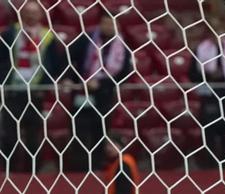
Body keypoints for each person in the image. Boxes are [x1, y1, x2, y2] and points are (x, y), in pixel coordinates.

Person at [0, 1, 63, 172]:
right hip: (13, 91)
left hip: (36, 92)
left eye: (35, 12)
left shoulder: (47, 36)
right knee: (9, 135)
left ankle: (32, 171)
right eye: (27, 12)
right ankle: (9, 170)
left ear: (41, 15)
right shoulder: (10, 33)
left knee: (34, 135)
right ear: (21, 13)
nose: (31, 15)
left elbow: (56, 63)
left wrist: (49, 83)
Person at [65, 10, 131, 171]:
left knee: (100, 132)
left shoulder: (122, 47)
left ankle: (97, 166)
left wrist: (101, 85)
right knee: (79, 131)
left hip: (104, 96)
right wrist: (72, 79)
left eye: (112, 24)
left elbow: (124, 74)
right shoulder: (87, 39)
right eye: (106, 23)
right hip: (81, 93)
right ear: (100, 24)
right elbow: (67, 56)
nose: (109, 27)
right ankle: (79, 168)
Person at [189, 18, 225, 168]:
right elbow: (192, 74)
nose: (217, 33)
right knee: (209, 133)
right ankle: (210, 166)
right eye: (214, 30)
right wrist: (208, 76)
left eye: (219, 29)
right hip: (208, 96)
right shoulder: (201, 50)